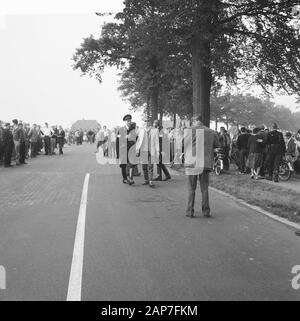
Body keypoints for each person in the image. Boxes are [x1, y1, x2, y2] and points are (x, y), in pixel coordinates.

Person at [184, 114, 220, 218]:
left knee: (191, 188)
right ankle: (206, 211)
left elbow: (183, 144)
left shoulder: (188, 130)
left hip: (192, 162)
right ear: (202, 121)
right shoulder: (211, 131)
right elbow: (217, 145)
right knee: (204, 188)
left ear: (195, 121)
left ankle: (189, 211)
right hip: (205, 162)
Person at [136, 120, 159, 188]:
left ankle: (150, 181)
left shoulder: (155, 130)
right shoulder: (141, 129)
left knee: (150, 166)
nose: (147, 122)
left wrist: (158, 151)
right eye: (145, 121)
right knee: (144, 167)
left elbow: (157, 141)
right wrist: (137, 149)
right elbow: (138, 140)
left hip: (151, 150)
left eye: (148, 121)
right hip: (143, 150)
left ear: (150, 122)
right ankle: (146, 180)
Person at [117, 114, 138, 185]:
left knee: (132, 164)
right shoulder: (121, 129)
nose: (129, 122)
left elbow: (136, 139)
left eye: (130, 120)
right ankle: (125, 178)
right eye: (127, 121)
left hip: (131, 149)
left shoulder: (133, 129)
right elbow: (118, 141)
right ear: (125, 122)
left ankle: (131, 178)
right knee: (124, 165)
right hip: (123, 150)